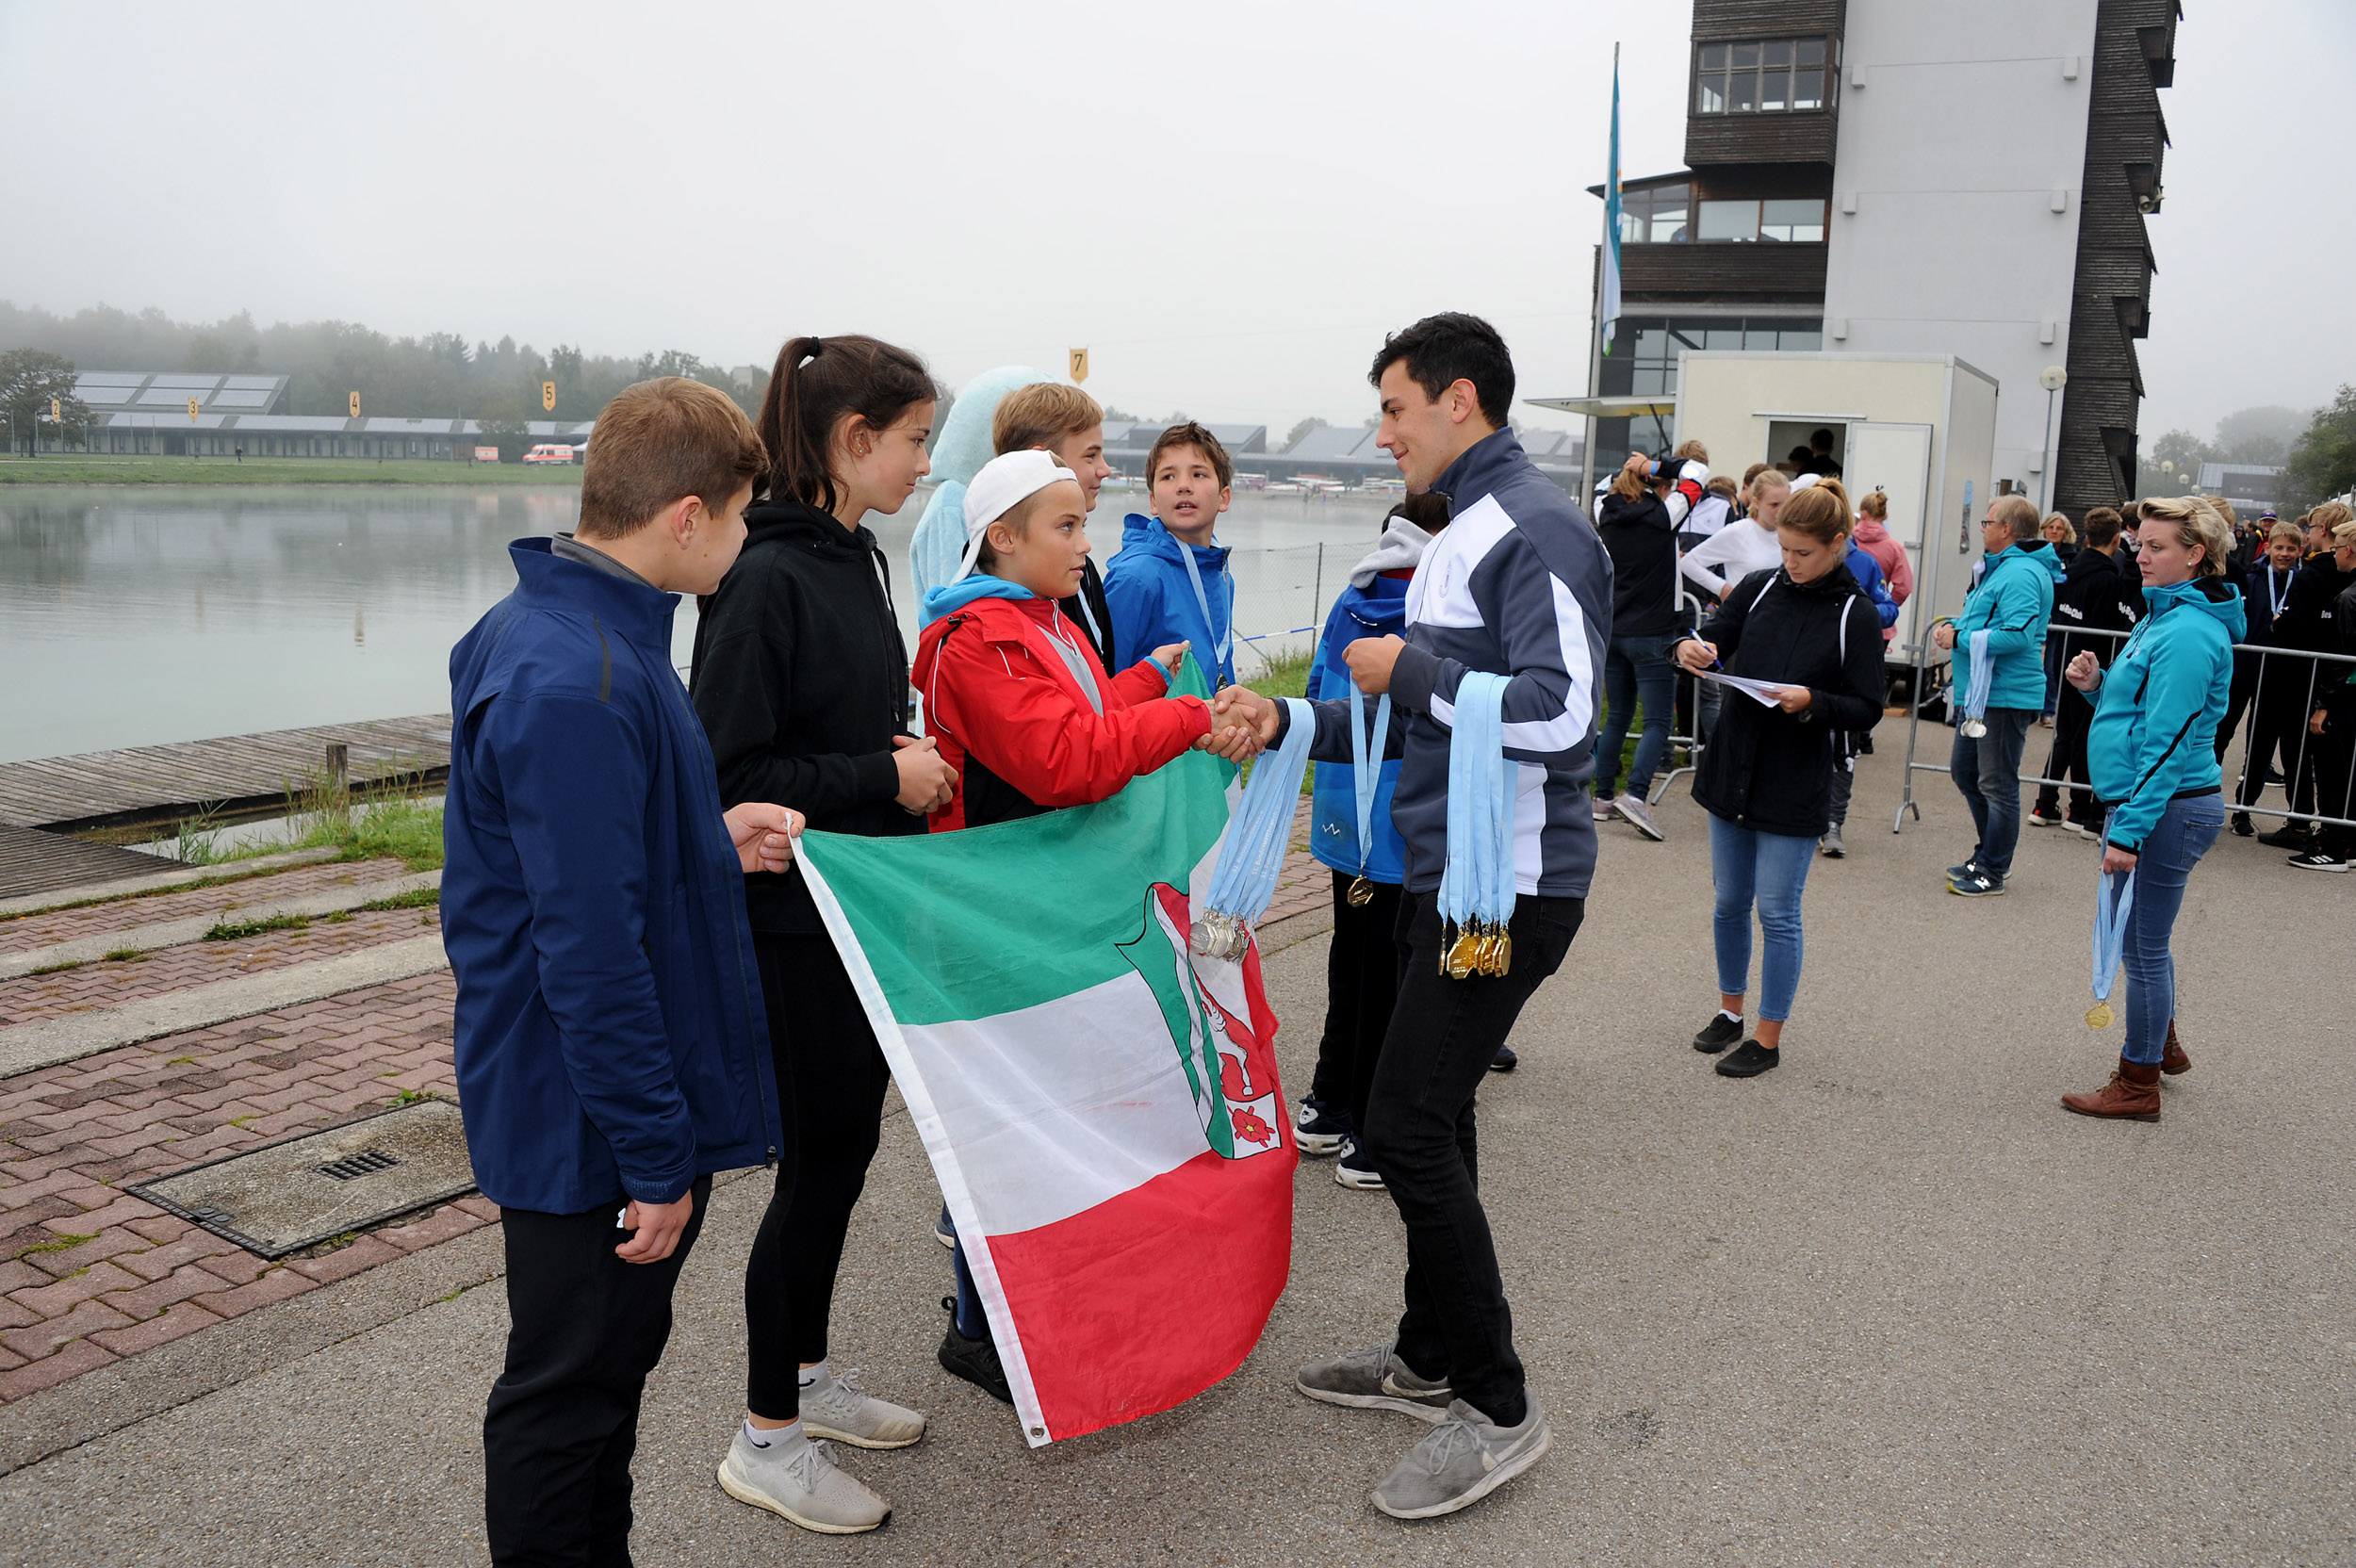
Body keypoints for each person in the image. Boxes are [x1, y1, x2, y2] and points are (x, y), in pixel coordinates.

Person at [1217, 313, 1604, 1519]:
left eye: (1394, 408)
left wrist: (1414, 672)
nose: (1381, 433)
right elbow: (1418, 718)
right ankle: (1428, 1356)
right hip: (1451, 874)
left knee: (1403, 1124)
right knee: (1432, 1110)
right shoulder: (1462, 531)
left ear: (1460, 400)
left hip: (1511, 883)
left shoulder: (1530, 526)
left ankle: (1497, 1403)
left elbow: (1564, 721)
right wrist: (1293, 721)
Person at [445, 377, 799, 1565]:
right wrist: (655, 1151)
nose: (746, 544)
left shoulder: (568, 631)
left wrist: (709, 840)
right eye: (744, 517)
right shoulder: (580, 679)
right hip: (581, 1115)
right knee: (565, 1399)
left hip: (579, 1097)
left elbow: (587, 860)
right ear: (688, 515)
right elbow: (589, 950)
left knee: (600, 1391)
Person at [690, 334, 955, 1535]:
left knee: (845, 1156)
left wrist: (893, 766)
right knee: (811, 1173)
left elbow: (856, 722)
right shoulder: (760, 579)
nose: (922, 465)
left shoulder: (854, 560)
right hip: (785, 921)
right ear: (854, 439)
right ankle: (765, 1436)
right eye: (913, 442)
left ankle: (802, 1374)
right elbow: (730, 770)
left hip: (853, 907)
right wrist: (881, 775)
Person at [910, 449, 1244, 1395]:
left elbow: (1082, 712)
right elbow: (1064, 758)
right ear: (1002, 539)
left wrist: (1143, 679)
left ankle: (1031, 1302)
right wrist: (1180, 720)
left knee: (1046, 1103)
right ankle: (978, 1324)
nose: (1084, 542)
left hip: (1037, 905)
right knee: (1008, 1122)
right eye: (1064, 526)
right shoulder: (982, 639)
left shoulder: (1034, 621)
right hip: (999, 913)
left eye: (1082, 522)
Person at [1673, 482, 1884, 1075]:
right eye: (1784, 549)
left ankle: (1766, 1037)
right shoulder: (1763, 584)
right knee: (1728, 902)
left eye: (1802, 554)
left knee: (1778, 912)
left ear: (1837, 545)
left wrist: (1812, 699)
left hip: (1794, 776)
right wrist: (1691, 649)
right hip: (1733, 762)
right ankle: (1729, 1011)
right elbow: (1714, 638)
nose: (1789, 564)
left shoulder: (1855, 613)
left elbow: (1867, 705)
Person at [2058, 497, 2242, 1119]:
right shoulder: (2166, 616)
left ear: (2195, 555)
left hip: (2165, 811)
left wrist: (2128, 834)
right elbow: (2146, 716)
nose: (2142, 553)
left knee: (2141, 948)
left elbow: (2168, 744)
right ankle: (2158, 1041)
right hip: (2154, 805)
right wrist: (2097, 687)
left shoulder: (2189, 631)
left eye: (2157, 546)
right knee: (2147, 944)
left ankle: (2138, 1082)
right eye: (2141, 542)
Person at [1296, 492, 1452, 1189]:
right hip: (1408, 814)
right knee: (1398, 973)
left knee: (1350, 960)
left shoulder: (1354, 591)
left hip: (1340, 807)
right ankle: (1371, 1131)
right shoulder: (1443, 602)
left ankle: (1329, 1102)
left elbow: (1312, 688)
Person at [1931, 495, 2064, 896]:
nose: (1982, 528)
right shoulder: (2002, 568)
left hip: (2004, 695)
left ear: (2007, 529)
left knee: (1997, 782)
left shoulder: (2021, 573)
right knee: (1966, 773)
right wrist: (1956, 626)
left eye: (1987, 521)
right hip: (1982, 693)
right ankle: (1986, 853)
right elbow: (1987, 620)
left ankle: (1994, 867)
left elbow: (2018, 635)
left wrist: (1959, 636)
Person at [1594, 447, 1706, 841]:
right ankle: (1636, 796)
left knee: (1617, 717)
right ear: (1661, 486)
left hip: (1615, 630)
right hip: (1655, 632)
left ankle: (1602, 797)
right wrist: (1652, 465)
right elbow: (1698, 471)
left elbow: (1603, 485)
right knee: (1658, 720)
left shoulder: (1602, 509)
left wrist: (1630, 467)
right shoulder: (1666, 512)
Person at [991, 382, 1119, 670]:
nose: (1105, 469)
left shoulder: (1080, 568)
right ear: (1041, 460)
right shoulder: (1002, 584)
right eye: (1091, 455)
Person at [1103, 422, 1238, 687]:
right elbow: (1105, 686)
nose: (1184, 486)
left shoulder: (1220, 573)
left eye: (1198, 475)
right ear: (1153, 501)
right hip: (1155, 727)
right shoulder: (1136, 578)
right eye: (1168, 476)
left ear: (1224, 497)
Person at [2030, 507, 2134, 836]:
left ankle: (2045, 802)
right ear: (2116, 539)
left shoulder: (2073, 570)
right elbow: (2105, 628)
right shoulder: (2107, 579)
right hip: (2091, 666)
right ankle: (2080, 810)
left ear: (2087, 536)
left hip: (2066, 658)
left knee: (2065, 734)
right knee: (2085, 736)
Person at [2258, 502, 2355, 851]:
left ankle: (2301, 822)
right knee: (2334, 758)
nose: (2309, 533)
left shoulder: (2314, 573)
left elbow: (2291, 623)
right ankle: (2334, 827)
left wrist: (2280, 621)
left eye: (2312, 527)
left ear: (2324, 530)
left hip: (2303, 674)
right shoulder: (2345, 573)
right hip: (2334, 678)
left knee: (2298, 750)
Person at [1684, 469, 1792, 745]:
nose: (1781, 511)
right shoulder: (1739, 532)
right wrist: (1723, 588)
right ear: (1755, 501)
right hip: (1745, 631)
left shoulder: (1790, 534)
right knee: (1738, 706)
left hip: (1784, 631)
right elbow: (1689, 562)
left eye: (1786, 503)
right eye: (1774, 505)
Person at [2217, 519, 2310, 835]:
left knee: (2261, 743)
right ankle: (2207, 802)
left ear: (2301, 551)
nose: (2284, 554)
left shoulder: (2303, 582)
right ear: (2267, 547)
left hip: (2280, 673)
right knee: (2221, 732)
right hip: (2244, 666)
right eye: (2279, 547)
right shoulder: (2252, 578)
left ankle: (2243, 808)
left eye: (2291, 549)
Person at [2286, 516, 2356, 871]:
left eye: (2339, 548)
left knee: (2333, 771)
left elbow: (2341, 659)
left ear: (2351, 551)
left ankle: (2333, 845)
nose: (2335, 554)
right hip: (2347, 695)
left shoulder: (2347, 599)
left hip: (2343, 698)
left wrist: (2323, 705)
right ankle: (2348, 841)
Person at [1851, 489, 1915, 620]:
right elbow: (1904, 587)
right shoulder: (1895, 548)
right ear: (1885, 516)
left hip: (1846, 617)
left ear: (1861, 515)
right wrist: (1887, 607)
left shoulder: (1844, 542)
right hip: (1879, 621)